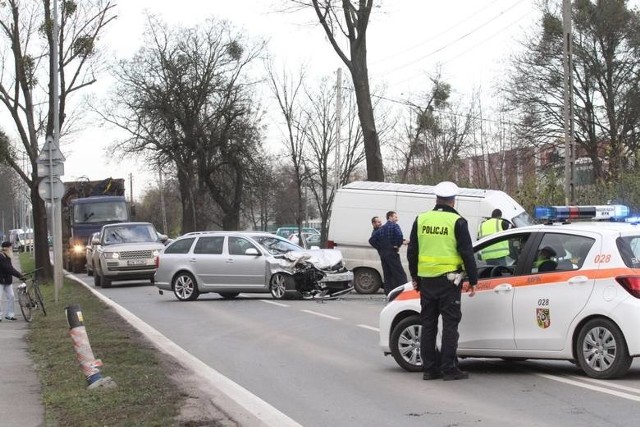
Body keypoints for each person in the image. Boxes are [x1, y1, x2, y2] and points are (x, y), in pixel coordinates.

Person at [407, 181, 478, 381]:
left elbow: (412, 252)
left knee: (428, 325)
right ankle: (449, 368)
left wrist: (415, 277)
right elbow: (467, 253)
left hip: (427, 281)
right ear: (454, 201)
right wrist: (473, 280)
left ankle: (429, 369)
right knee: (450, 325)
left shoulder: (421, 219)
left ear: (436, 199)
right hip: (449, 282)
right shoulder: (458, 221)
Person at [369, 211, 408, 295]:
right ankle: (403, 293)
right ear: (390, 217)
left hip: (383, 255)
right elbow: (399, 236)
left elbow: (371, 240)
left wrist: (381, 247)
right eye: (395, 217)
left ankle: (388, 293)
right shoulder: (395, 226)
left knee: (387, 274)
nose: (397, 219)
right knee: (400, 274)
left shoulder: (382, 228)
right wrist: (397, 245)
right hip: (392, 254)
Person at [0, 241, 25, 321]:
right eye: (10, 247)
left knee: (11, 296)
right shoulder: (1, 256)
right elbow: (8, 268)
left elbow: (10, 268)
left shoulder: (7, 256)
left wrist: (19, 275)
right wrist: (19, 275)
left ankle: (10, 315)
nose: (11, 248)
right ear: (6, 248)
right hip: (1, 280)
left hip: (7, 280)